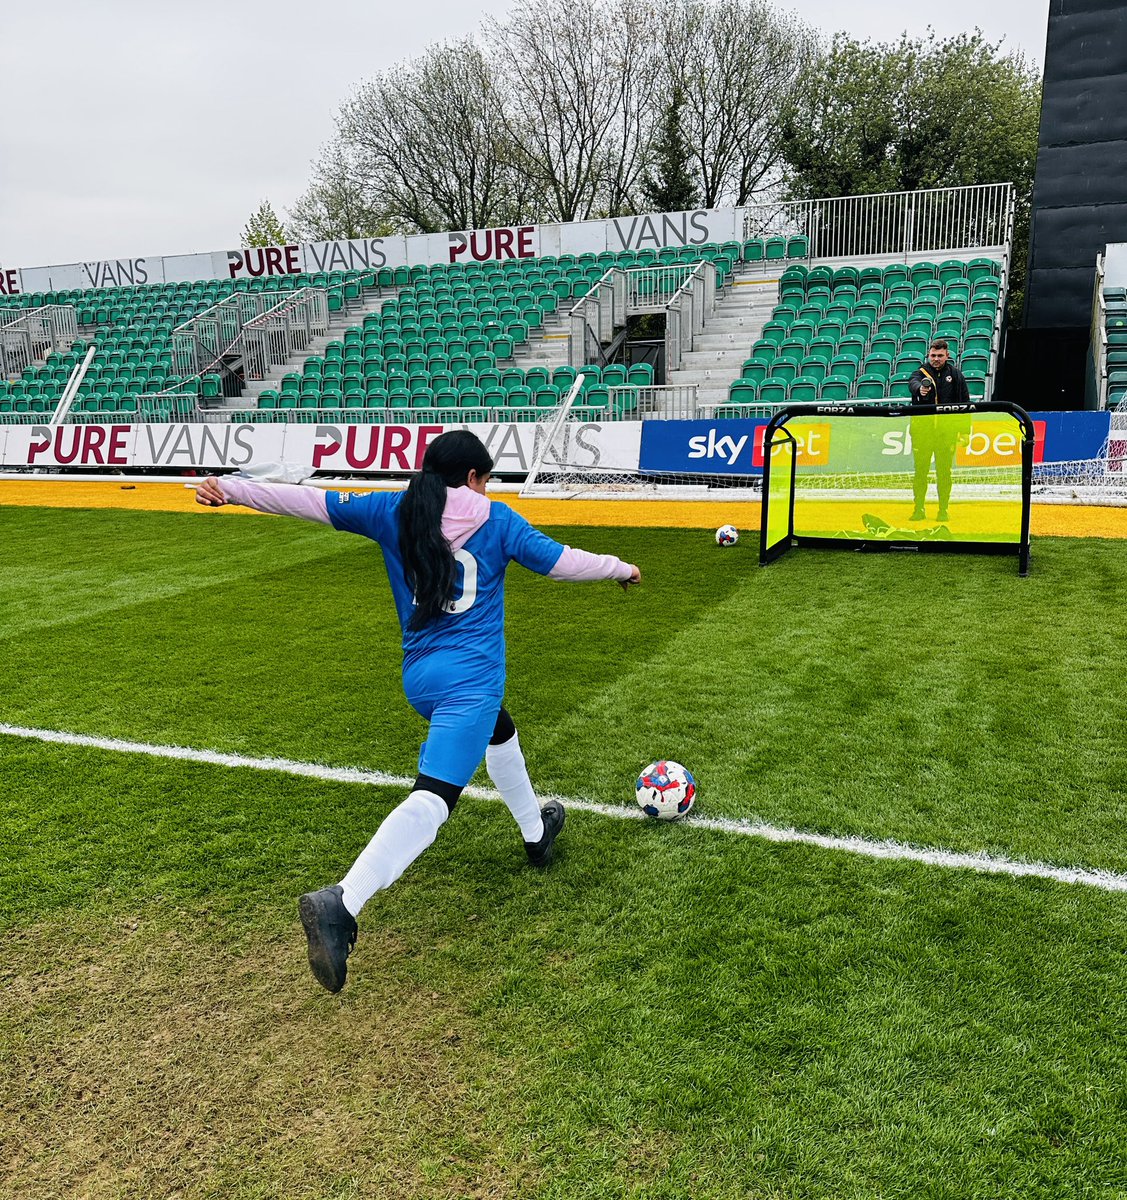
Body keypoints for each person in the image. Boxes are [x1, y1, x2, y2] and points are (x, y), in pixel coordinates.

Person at [195, 430, 641, 993]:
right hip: (469, 683)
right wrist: (622, 568)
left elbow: (305, 500)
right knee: (434, 799)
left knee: (499, 729)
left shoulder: (391, 509)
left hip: (421, 677)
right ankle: (343, 900)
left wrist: (231, 490)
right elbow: (563, 563)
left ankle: (536, 833)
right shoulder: (498, 520)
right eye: (487, 477)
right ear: (475, 477)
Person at [907, 340, 972, 522]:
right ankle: (918, 509)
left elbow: (965, 404)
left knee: (944, 473)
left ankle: (943, 510)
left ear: (947, 356)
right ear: (929, 355)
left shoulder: (956, 375)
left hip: (946, 434)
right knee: (920, 472)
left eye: (939, 356)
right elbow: (913, 384)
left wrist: (965, 431)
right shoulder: (920, 373)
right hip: (923, 433)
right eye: (933, 355)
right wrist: (921, 389)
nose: (936, 359)